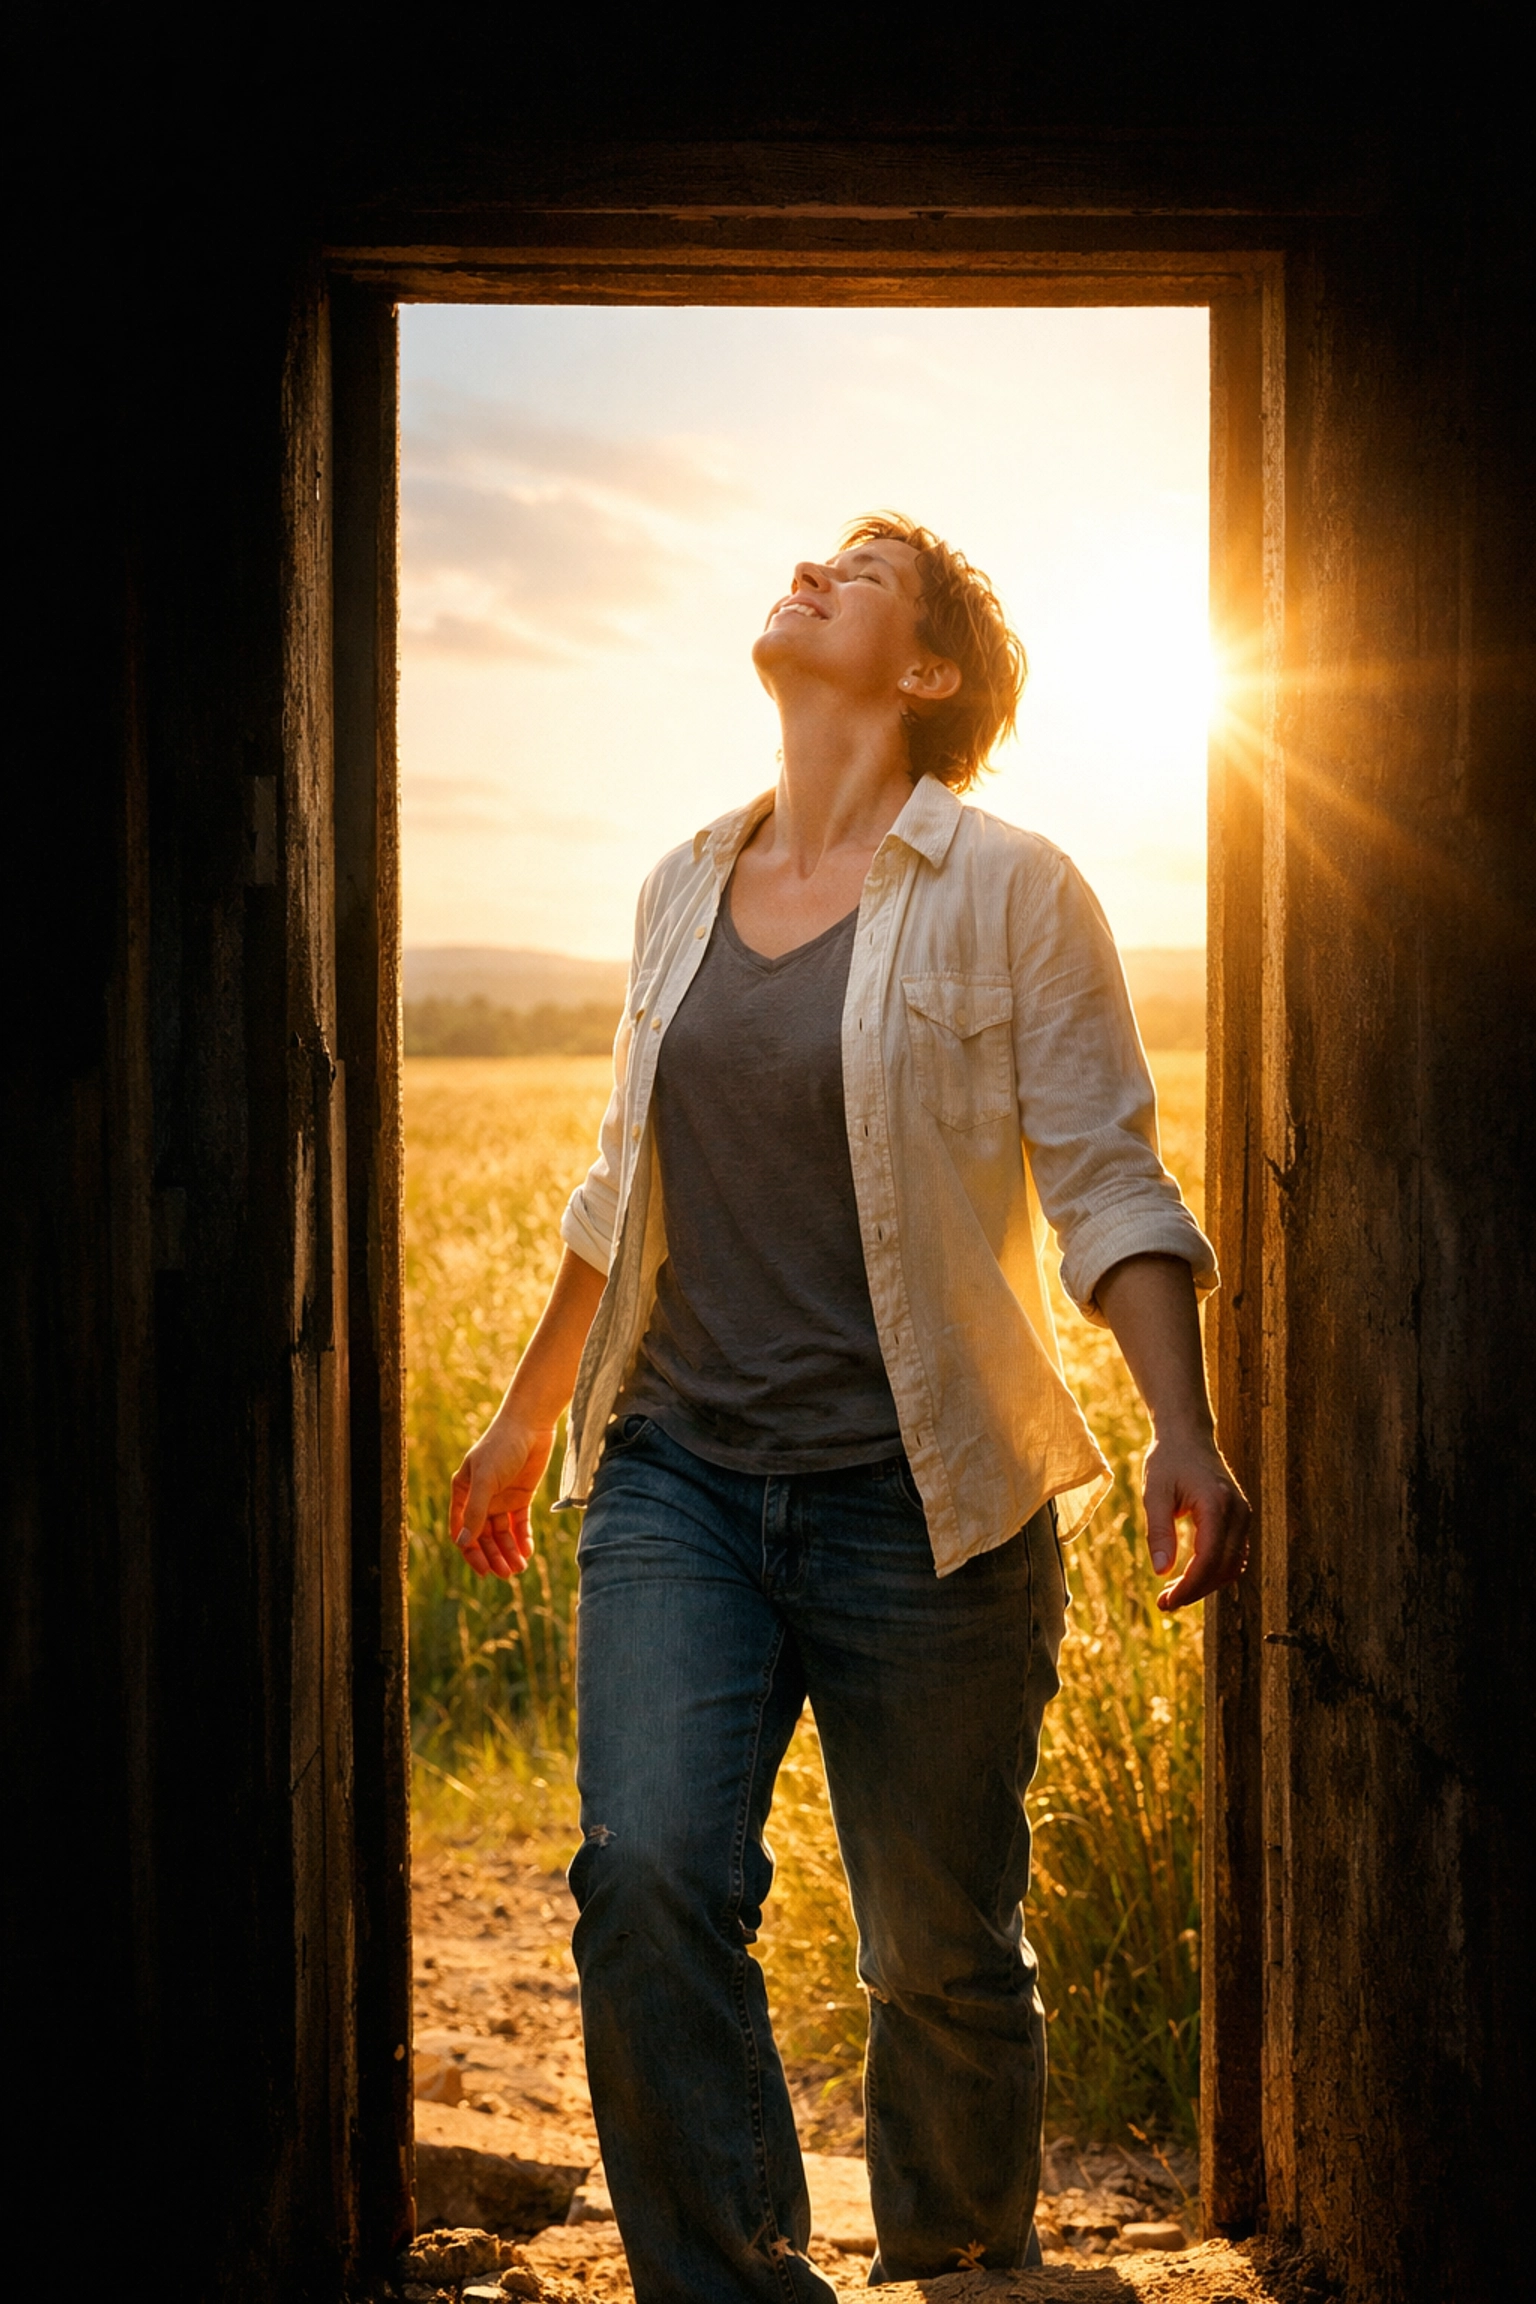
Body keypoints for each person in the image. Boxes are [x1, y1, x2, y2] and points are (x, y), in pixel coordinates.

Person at [449, 514, 1250, 2301]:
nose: (811, 573)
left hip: (924, 1500)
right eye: (817, 556)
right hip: (679, 1474)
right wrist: (525, 1415)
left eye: (863, 572)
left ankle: (961, 2269)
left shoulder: (1015, 889)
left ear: (927, 670)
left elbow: (1105, 1177)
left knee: (941, 1958)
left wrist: (1180, 1426)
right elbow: (618, 1188)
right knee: (647, 1882)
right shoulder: (679, 883)